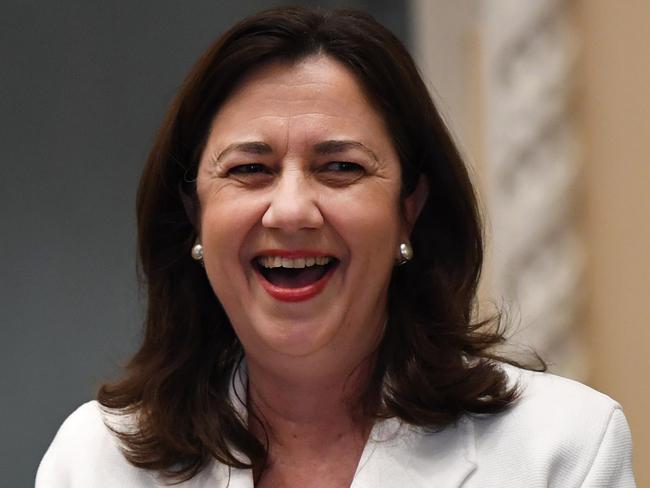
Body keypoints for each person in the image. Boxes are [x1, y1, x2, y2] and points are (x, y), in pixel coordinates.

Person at [36, 6, 635, 487]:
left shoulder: (562, 448)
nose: (291, 210)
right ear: (195, 215)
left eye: (341, 167)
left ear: (409, 211)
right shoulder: (96, 462)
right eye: (250, 169)